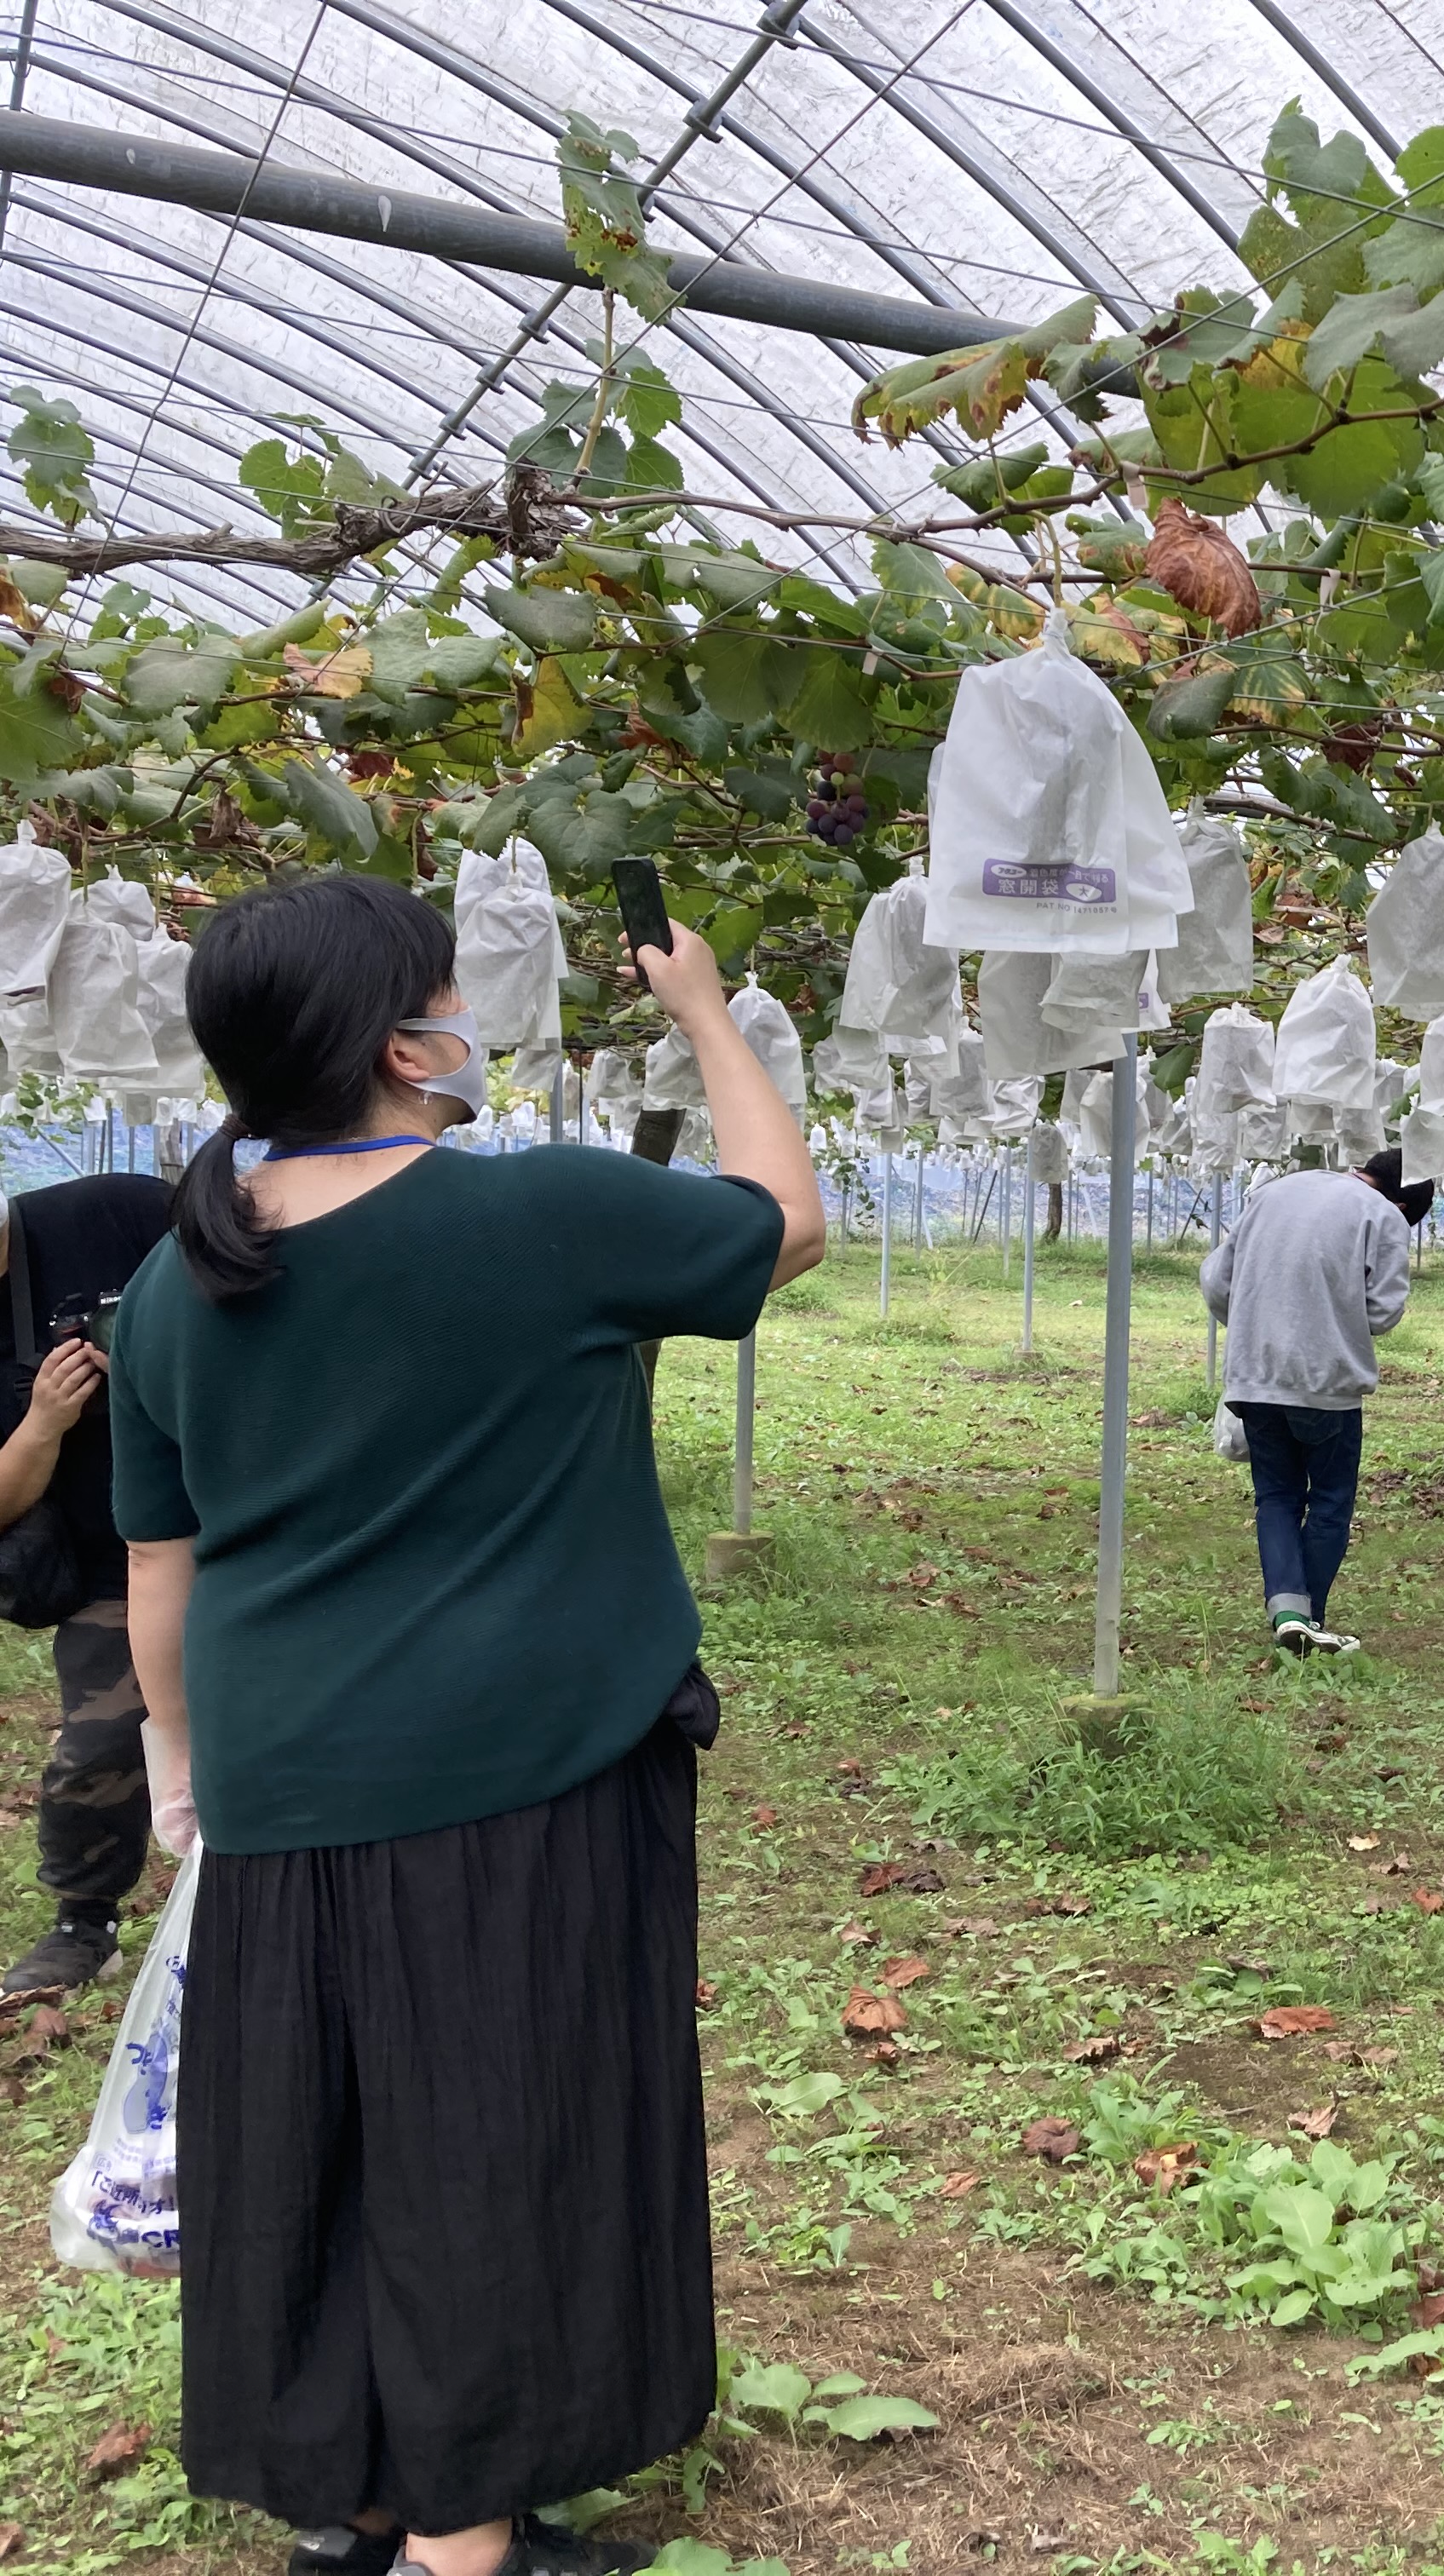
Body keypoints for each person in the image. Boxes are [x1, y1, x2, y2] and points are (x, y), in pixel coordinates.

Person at [113, 874, 826, 2576]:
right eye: (447, 992)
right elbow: (781, 1221)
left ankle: (351, 2505)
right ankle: (463, 2543)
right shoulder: (536, 1220)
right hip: (523, 1773)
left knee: (327, 2144)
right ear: (394, 1039)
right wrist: (708, 1012)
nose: (469, 1021)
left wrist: (180, 1783)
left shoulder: (171, 1281)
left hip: (283, 1785)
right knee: (501, 2138)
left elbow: (161, 1580)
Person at [0, 1175, 176, 2004]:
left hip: (243, 1522)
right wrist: (43, 1422)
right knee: (96, 1748)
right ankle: (83, 1924)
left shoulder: (116, 1214)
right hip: (109, 1565)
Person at [1199, 1146, 1436, 1654]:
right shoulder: (1382, 1217)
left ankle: (1290, 1614)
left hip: (1255, 1376)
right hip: (1327, 1383)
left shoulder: (1273, 1193)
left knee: (1276, 1496)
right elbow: (1383, 1312)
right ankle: (1310, 1616)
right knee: (1329, 1501)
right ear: (1404, 1207)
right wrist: (1334, 1315)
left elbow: (1216, 1281)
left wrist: (1255, 1325)